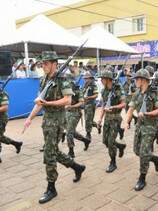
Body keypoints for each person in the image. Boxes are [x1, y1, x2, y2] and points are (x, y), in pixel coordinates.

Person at [24, 51, 86, 204]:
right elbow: (40, 102)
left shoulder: (62, 79)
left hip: (57, 121)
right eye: (42, 63)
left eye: (46, 63)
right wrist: (29, 118)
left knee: (49, 154)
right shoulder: (43, 80)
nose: (43, 65)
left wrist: (49, 104)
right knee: (54, 151)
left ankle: (51, 187)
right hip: (47, 121)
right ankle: (77, 167)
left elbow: (68, 100)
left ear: (54, 64)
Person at [124, 68, 158, 191]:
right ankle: (155, 159)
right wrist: (126, 122)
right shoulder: (137, 93)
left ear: (143, 80)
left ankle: (142, 178)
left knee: (144, 153)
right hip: (140, 126)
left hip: (150, 127)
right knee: (137, 151)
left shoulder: (154, 93)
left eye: (136, 79)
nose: (135, 81)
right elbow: (131, 108)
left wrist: (148, 113)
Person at [97, 70, 126, 173]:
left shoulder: (118, 89)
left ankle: (113, 162)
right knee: (105, 141)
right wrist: (100, 119)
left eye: (102, 78)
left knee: (110, 142)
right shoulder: (104, 91)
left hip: (115, 118)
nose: (101, 80)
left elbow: (124, 104)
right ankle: (120, 146)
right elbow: (104, 105)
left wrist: (113, 107)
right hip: (107, 118)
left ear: (108, 79)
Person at [64, 73, 91, 158]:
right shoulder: (65, 90)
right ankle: (85, 140)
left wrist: (71, 106)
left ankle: (71, 151)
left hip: (75, 113)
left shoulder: (77, 90)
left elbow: (81, 102)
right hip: (67, 112)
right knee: (72, 132)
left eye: (67, 80)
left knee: (69, 132)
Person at [0, 89, 23, 163]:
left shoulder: (2, 93)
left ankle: (16, 144)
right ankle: (16, 143)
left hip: (1, 118)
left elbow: (5, 107)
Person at [82, 71, 99, 140]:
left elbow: (96, 95)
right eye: (85, 79)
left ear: (90, 79)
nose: (85, 80)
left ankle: (88, 133)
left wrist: (89, 97)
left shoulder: (93, 85)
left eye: (87, 79)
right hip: (85, 104)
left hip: (91, 104)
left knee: (88, 120)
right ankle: (97, 126)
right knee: (89, 120)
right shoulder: (84, 85)